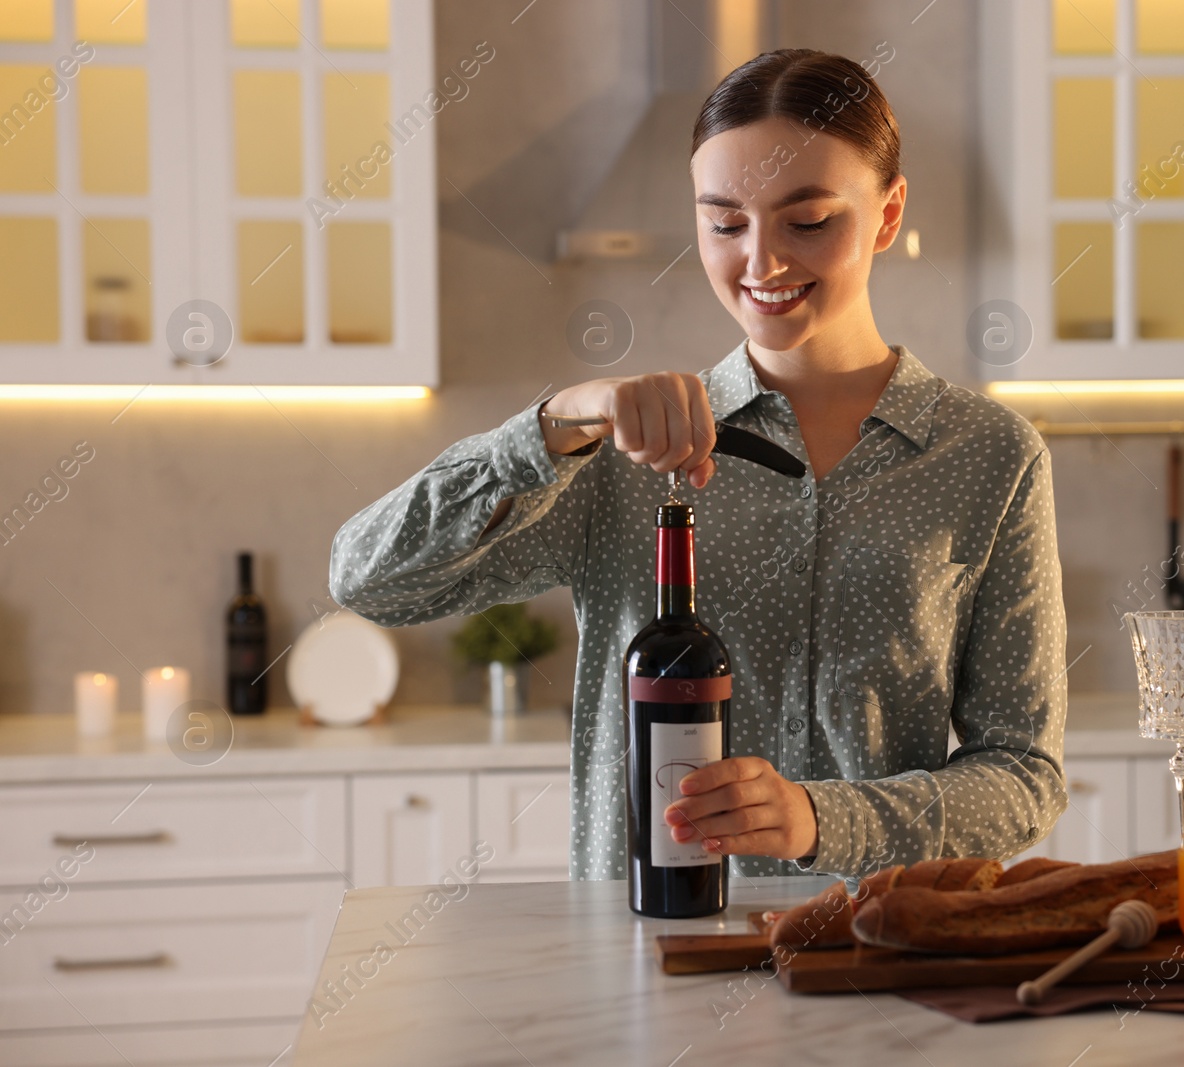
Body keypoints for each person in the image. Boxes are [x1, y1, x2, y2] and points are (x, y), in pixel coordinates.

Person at [330, 49, 1068, 881]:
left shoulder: (990, 458)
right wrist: (546, 428)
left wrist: (823, 817)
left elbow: (1024, 777)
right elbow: (370, 581)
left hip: (873, 955)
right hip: (651, 962)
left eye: (810, 220)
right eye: (724, 223)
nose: (761, 264)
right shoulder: (617, 454)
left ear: (889, 213)